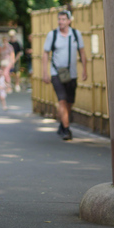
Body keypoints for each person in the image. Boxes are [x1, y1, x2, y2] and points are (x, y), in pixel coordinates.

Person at [41, 10, 87, 141]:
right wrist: (45, 73)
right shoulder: (53, 35)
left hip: (72, 74)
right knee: (62, 100)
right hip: (56, 73)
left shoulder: (76, 34)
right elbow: (45, 54)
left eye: (63, 19)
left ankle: (62, 124)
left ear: (69, 21)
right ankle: (66, 130)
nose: (60, 22)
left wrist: (85, 70)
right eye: (59, 19)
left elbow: (82, 52)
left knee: (69, 102)